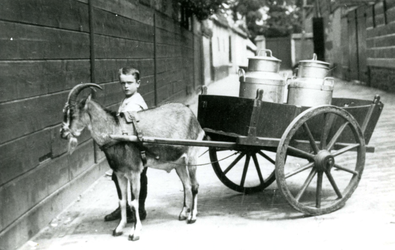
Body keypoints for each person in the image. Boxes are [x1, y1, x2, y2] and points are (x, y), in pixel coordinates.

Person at [104, 67, 148, 223]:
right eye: (123, 83)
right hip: (127, 148)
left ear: (138, 83)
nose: (126, 86)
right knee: (119, 177)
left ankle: (139, 209)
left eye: (130, 83)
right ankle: (124, 207)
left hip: (137, 149)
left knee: (139, 177)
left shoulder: (135, 104)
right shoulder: (127, 101)